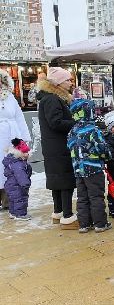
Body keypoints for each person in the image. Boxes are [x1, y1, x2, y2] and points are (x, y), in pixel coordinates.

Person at [36, 67, 78, 229]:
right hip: (59, 146)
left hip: (53, 146)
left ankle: (58, 212)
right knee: (65, 180)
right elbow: (56, 122)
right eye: (68, 80)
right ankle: (68, 217)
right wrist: (75, 123)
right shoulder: (53, 99)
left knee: (57, 180)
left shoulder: (49, 98)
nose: (71, 82)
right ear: (58, 82)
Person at [67, 99, 112, 233]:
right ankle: (100, 224)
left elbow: (70, 147)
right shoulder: (93, 130)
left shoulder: (72, 131)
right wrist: (107, 156)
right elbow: (101, 147)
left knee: (82, 197)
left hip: (78, 170)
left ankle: (84, 224)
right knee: (96, 196)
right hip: (93, 169)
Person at [0, 70, 31, 211]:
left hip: (12, 137)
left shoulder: (10, 97)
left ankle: (9, 200)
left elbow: (19, 117)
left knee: (13, 167)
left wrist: (24, 137)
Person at [3, 138, 32, 221]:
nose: (27, 154)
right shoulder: (17, 163)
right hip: (17, 185)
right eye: (25, 152)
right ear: (19, 153)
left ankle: (13, 213)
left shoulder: (14, 161)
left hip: (11, 185)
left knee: (13, 200)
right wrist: (25, 184)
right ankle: (20, 214)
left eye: (27, 152)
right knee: (20, 199)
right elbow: (20, 175)